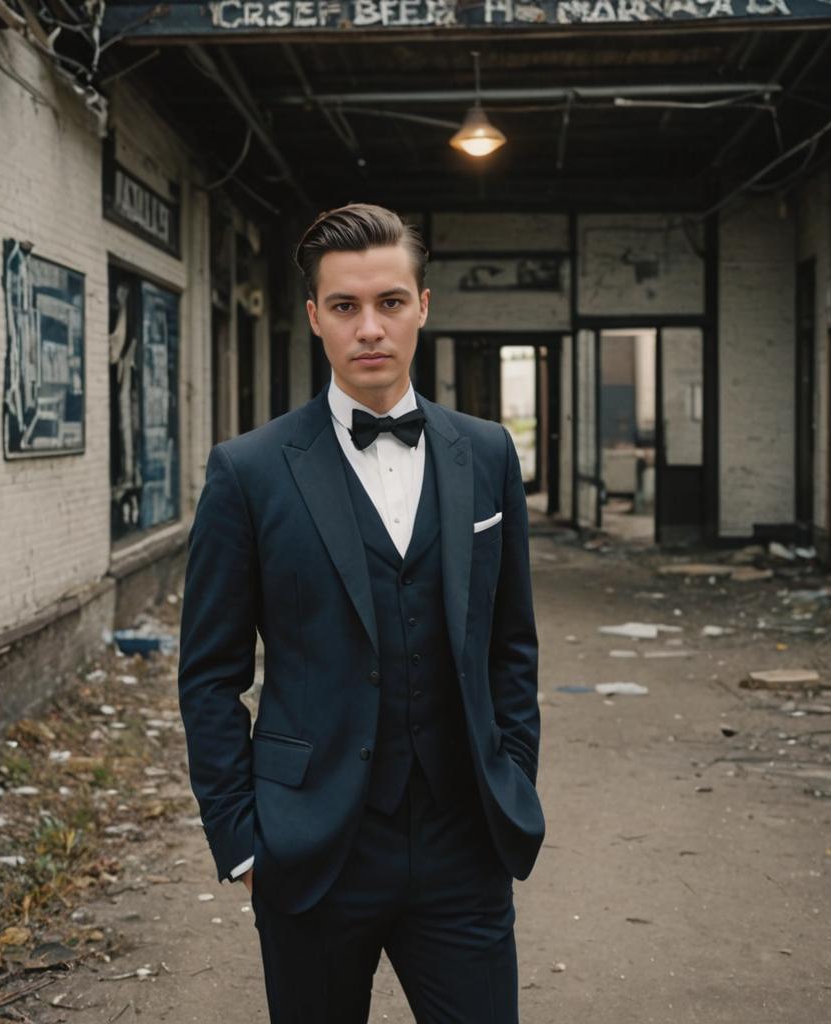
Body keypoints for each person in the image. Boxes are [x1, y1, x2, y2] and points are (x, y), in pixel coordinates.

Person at [178, 203, 544, 1023]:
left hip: (463, 844)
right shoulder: (249, 471)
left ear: (423, 305)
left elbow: (511, 643)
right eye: (345, 307)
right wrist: (240, 837)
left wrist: (511, 773)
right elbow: (209, 673)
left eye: (389, 302)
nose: (369, 327)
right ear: (314, 317)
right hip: (312, 848)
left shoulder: (486, 453)